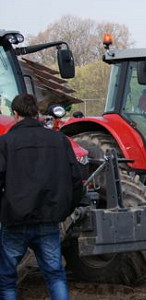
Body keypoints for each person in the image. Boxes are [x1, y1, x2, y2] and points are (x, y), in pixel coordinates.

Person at [0, 94, 82, 300]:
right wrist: (64, 211)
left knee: (7, 278)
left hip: (15, 221)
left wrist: (4, 212)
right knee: (55, 275)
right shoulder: (59, 140)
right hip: (48, 220)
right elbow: (76, 180)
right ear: (37, 113)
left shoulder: (5, 143)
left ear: (15, 114)